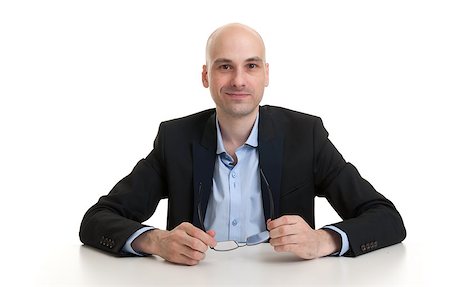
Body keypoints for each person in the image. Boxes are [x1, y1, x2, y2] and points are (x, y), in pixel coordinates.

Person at [79, 23, 406, 266]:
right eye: (225, 66)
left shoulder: (306, 135)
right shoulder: (175, 139)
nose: (238, 80)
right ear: (206, 76)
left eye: (250, 66)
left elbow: (387, 218)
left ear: (266, 74)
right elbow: (97, 219)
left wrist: (324, 239)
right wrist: (156, 241)